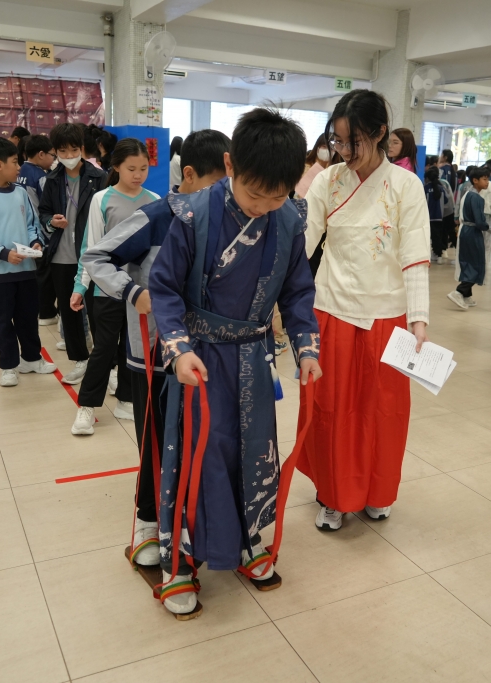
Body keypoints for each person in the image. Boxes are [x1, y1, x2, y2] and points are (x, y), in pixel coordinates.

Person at [148, 108, 320, 615]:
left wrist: (307, 347)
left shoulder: (289, 219)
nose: (265, 207)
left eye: (278, 196)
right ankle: (180, 561)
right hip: (199, 359)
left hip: (254, 358)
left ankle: (247, 542)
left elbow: (297, 291)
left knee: (252, 454)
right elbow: (164, 288)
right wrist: (178, 348)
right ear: (229, 165)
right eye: (254, 194)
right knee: (199, 454)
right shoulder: (192, 214)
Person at [81, 129, 231, 566]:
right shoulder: (155, 216)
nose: (224, 195)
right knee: (155, 440)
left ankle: (192, 518)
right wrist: (133, 293)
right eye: (217, 184)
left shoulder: (222, 218)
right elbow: (95, 257)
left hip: (201, 354)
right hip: (151, 352)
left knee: (199, 439)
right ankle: (148, 520)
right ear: (190, 175)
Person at [298, 88, 430, 531]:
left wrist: (419, 319)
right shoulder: (327, 181)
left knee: (383, 411)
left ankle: (377, 492)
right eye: (337, 141)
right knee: (331, 409)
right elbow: (304, 243)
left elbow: (415, 256)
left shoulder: (406, 186)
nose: (344, 151)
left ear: (379, 134)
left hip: (387, 315)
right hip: (331, 308)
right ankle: (333, 495)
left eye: (353, 141)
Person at [69, 138, 157, 430]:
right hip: (106, 289)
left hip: (140, 293)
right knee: (104, 348)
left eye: (143, 168)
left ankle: (126, 400)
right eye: (131, 169)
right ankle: (86, 405)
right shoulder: (101, 199)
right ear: (116, 166)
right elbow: (90, 247)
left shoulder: (155, 201)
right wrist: (80, 287)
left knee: (133, 348)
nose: (138, 175)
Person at [0, 137, 56, 387]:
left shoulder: (20, 192)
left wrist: (35, 242)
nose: (19, 168)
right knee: (3, 321)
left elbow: (32, 224)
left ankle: (31, 358)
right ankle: (8, 366)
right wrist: (4, 253)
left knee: (28, 318)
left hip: (26, 270)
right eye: (15, 162)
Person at [37, 123, 108, 384]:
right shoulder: (52, 180)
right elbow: (43, 212)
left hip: (92, 256)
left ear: (82, 149)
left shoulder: (98, 177)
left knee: (98, 312)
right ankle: (81, 360)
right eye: (63, 151)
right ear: (55, 151)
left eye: (74, 150)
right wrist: (51, 221)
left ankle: (107, 365)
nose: (69, 156)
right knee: (70, 313)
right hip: (62, 255)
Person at [18, 134, 59, 324]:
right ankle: (46, 312)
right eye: (53, 155)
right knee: (45, 274)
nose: (54, 159)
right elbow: (47, 206)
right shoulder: (41, 177)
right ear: (41, 154)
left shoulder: (19, 171)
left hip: (23, 230)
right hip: (41, 232)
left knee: (34, 273)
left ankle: (36, 309)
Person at [448, 167, 491, 309]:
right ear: (475, 180)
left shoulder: (467, 193)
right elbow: (480, 221)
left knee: (469, 262)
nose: (487, 182)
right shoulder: (476, 198)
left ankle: (466, 295)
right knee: (476, 263)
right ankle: (459, 291)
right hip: (472, 232)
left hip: (466, 230)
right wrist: (489, 228)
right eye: (484, 179)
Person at [424, 166, 453, 263]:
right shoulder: (441, 188)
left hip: (428, 217)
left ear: (427, 178)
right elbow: (446, 201)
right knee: (438, 235)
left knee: (431, 236)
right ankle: (439, 255)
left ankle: (434, 254)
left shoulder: (425, 188)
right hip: (440, 217)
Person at [294, 133, 331, 199]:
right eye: (324, 147)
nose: (328, 151)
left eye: (331, 148)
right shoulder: (305, 166)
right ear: (317, 148)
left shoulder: (334, 169)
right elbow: (299, 193)